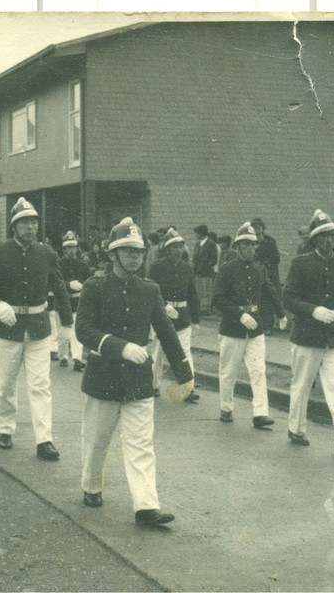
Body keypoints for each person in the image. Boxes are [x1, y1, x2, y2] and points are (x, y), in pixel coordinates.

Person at [76, 217, 193, 526]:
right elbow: (83, 330)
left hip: (139, 379)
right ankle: (91, 484)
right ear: (113, 254)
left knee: (141, 444)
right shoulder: (95, 286)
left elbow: (166, 331)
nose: (134, 257)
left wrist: (185, 373)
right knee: (98, 440)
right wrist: (117, 346)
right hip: (104, 377)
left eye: (139, 252)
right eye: (127, 251)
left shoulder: (149, 289)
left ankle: (146, 506)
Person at [0, 197, 73, 460]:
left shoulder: (47, 253)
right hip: (7, 329)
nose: (30, 227)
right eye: (24, 223)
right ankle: (5, 429)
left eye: (34, 222)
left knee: (40, 385)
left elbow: (60, 288)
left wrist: (67, 324)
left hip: (39, 329)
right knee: (6, 383)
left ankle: (44, 440)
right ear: (14, 227)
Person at [282, 209, 334, 456]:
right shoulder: (300, 263)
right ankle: (296, 428)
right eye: (323, 236)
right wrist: (313, 311)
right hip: (307, 336)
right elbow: (288, 298)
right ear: (315, 240)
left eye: (332, 235)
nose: (329, 240)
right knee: (302, 385)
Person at [213, 222, 287, 426]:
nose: (251, 249)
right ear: (237, 247)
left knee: (258, 370)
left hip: (256, 328)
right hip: (232, 329)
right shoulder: (227, 270)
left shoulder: (259, 269)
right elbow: (218, 299)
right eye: (246, 245)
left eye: (254, 245)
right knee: (229, 371)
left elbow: (270, 291)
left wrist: (281, 314)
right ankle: (226, 407)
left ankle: (260, 413)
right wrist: (239, 315)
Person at [148, 227, 200, 403]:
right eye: (174, 247)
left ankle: (188, 388)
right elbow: (150, 291)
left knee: (184, 351)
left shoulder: (187, 268)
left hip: (183, 317)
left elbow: (192, 294)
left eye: (180, 247)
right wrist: (164, 306)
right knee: (158, 353)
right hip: (161, 316)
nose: (178, 250)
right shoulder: (157, 267)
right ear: (167, 249)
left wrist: (196, 318)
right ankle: (154, 385)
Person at [57, 231, 92, 372]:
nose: (72, 250)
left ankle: (77, 359)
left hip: (78, 301)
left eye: (74, 247)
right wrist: (68, 284)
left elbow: (88, 280)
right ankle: (63, 356)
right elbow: (56, 282)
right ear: (64, 249)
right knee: (63, 332)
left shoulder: (82, 265)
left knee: (77, 331)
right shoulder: (58, 264)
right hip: (63, 301)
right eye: (69, 248)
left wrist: (82, 285)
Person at [251, 218, 281, 335]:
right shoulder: (251, 243)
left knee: (267, 302)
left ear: (263, 229)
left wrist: (265, 266)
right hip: (254, 278)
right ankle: (255, 324)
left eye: (259, 228)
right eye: (254, 228)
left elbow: (275, 259)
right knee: (254, 302)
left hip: (267, 277)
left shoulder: (269, 243)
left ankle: (268, 326)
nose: (257, 231)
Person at [192, 224, 218, 316]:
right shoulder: (197, 244)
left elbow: (214, 259)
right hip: (198, 272)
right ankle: (200, 308)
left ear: (201, 233)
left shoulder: (211, 244)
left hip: (206, 272)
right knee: (199, 290)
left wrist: (206, 267)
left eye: (197, 233)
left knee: (207, 290)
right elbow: (194, 257)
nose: (196, 235)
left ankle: (206, 309)